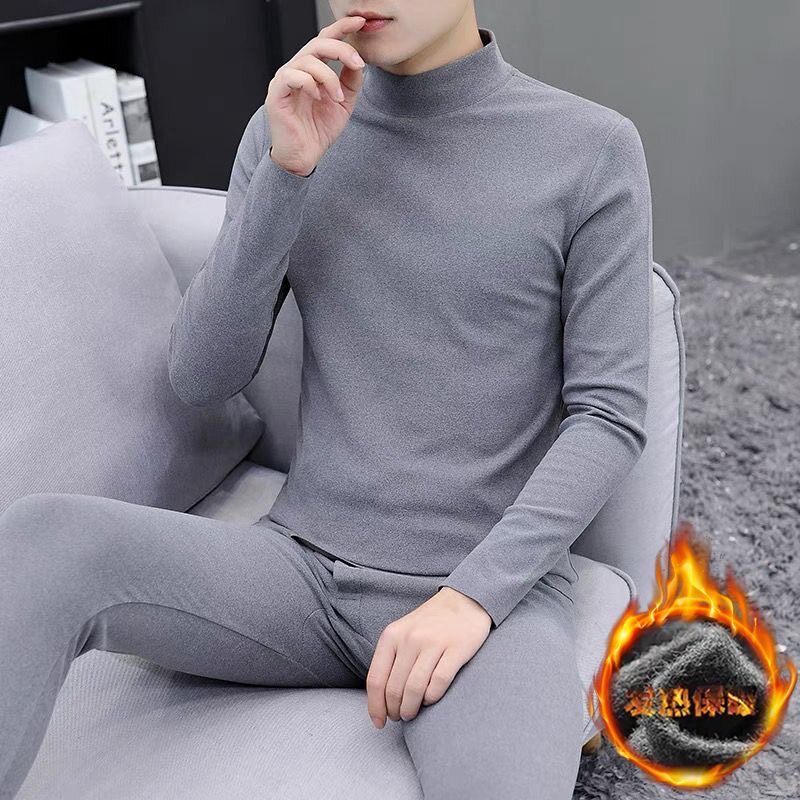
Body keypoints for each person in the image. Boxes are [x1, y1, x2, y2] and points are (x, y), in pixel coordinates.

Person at [0, 2, 652, 798]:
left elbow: (609, 417)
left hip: (489, 600)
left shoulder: (591, 148)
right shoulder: (290, 128)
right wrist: (288, 174)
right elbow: (201, 377)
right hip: (300, 575)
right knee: (45, 537)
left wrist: (472, 599)